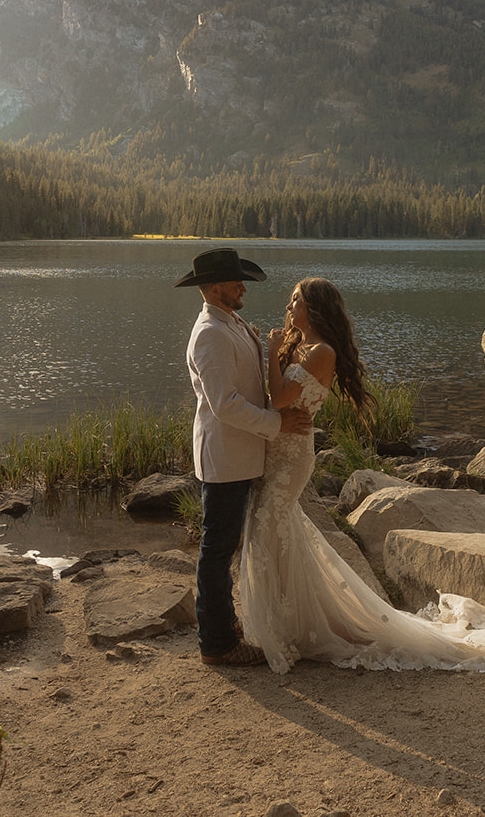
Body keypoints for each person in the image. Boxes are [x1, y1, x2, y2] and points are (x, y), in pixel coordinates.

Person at [238, 276, 485, 678]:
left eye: (295, 301)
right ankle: (293, 623)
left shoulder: (322, 352)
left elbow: (280, 398)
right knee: (274, 533)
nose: (288, 308)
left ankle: (289, 628)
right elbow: (278, 400)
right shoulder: (300, 346)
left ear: (315, 308)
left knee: (270, 527)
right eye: (290, 302)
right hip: (277, 455)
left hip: (291, 461)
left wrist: (270, 352)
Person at [177, 247, 309, 667]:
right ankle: (216, 644)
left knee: (225, 545)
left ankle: (224, 622)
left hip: (242, 455)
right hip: (225, 458)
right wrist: (277, 424)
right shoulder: (209, 333)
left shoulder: (229, 322)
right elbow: (225, 404)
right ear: (214, 289)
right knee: (217, 551)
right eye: (236, 282)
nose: (242, 287)